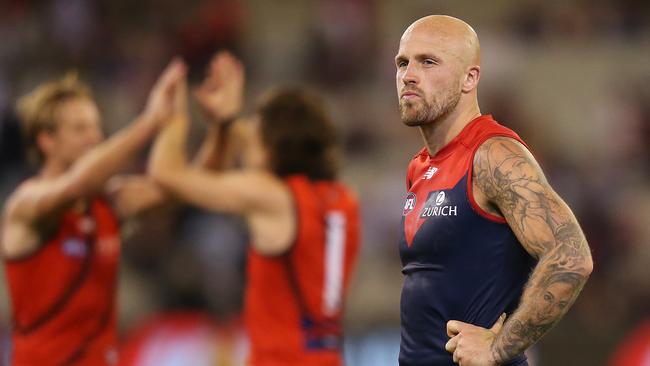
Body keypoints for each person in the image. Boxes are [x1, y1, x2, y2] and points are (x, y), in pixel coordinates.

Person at [395, 15, 593, 366]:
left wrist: (499, 346)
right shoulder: (421, 166)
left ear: (470, 78)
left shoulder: (493, 154)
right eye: (403, 62)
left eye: (428, 62)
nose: (409, 75)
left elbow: (572, 257)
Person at [148, 52, 361, 366]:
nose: (249, 143)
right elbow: (237, 162)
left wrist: (173, 118)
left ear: (275, 144)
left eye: (256, 133)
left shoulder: (272, 195)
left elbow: (166, 175)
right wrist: (226, 122)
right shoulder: (344, 199)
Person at [1, 60, 186, 365]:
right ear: (46, 140)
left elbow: (183, 187)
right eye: (80, 128)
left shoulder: (109, 202)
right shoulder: (26, 204)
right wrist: (149, 122)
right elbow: (77, 183)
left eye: (96, 127)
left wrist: (210, 124)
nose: (94, 138)